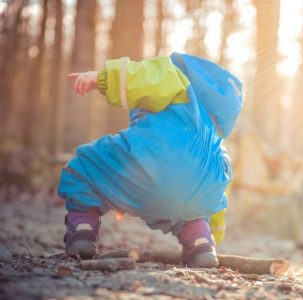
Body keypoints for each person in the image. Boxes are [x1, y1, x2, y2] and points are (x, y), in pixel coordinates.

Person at [58, 53, 243, 268]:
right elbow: (219, 191)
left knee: (84, 168)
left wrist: (100, 79)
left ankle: (83, 231)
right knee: (193, 208)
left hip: (151, 168)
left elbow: (143, 77)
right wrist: (215, 231)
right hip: (197, 197)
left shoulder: (179, 82)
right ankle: (201, 243)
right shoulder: (216, 144)